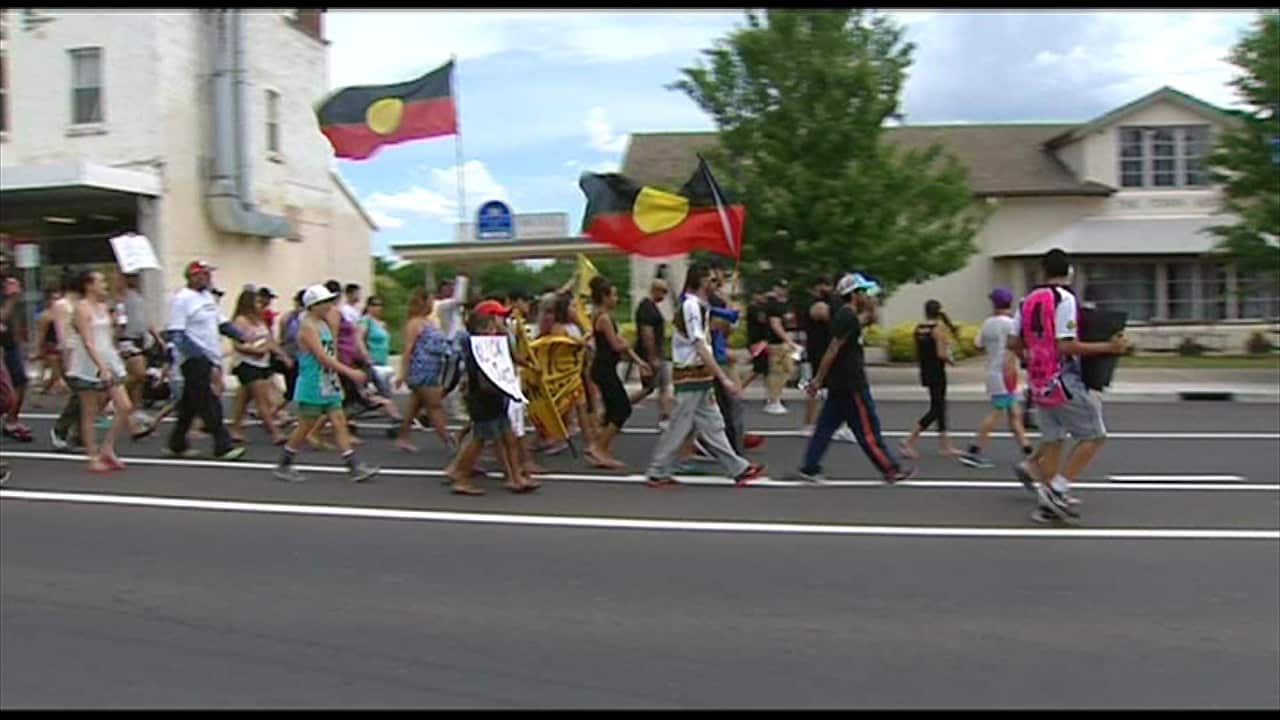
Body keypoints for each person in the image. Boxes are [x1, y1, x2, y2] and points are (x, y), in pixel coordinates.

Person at [1010, 248, 1128, 524]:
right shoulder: (1063, 299)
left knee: (1053, 440)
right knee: (1095, 435)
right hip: (1062, 378)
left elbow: (1014, 342)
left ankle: (1048, 501)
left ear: (1042, 271)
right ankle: (1058, 488)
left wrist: (1031, 357)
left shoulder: (1027, 301)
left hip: (1038, 381)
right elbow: (1066, 345)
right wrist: (1108, 347)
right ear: (1069, 272)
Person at [645, 263, 765, 488]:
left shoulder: (699, 305)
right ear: (699, 281)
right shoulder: (691, 306)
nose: (714, 284)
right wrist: (723, 378)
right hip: (690, 375)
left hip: (699, 375)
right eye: (710, 280)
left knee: (713, 424)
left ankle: (739, 468)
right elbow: (699, 344)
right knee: (681, 426)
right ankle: (657, 470)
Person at [790, 273, 915, 484]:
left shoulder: (848, 316)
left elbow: (869, 319)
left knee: (825, 427)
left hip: (842, 382)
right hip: (850, 382)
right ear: (854, 294)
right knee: (867, 429)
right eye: (864, 292)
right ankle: (890, 469)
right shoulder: (845, 316)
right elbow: (832, 349)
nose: (868, 295)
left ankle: (810, 467)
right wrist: (818, 379)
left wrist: (872, 305)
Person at [271, 284, 378, 483]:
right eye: (323, 302)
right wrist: (349, 372)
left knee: (338, 420)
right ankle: (285, 462)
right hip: (313, 381)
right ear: (312, 305)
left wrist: (337, 377)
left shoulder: (322, 323)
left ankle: (353, 465)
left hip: (326, 380)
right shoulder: (307, 326)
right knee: (306, 425)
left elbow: (331, 351)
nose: (328, 306)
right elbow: (322, 357)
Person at [447, 303, 537, 495]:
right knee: (479, 439)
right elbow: (483, 379)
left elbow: (509, 356)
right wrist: (503, 388)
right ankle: (461, 476)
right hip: (484, 398)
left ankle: (515, 477)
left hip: (496, 398)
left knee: (509, 436)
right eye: (490, 327)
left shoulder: (493, 345)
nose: (494, 330)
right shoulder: (479, 349)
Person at [164, 260, 247, 461]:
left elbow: (221, 322)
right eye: (203, 274)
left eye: (208, 274)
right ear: (192, 277)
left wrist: (239, 335)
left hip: (211, 355)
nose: (207, 278)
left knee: (190, 403)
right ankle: (223, 445)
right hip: (194, 358)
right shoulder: (182, 299)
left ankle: (177, 442)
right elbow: (177, 333)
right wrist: (196, 355)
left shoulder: (207, 297)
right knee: (209, 402)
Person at [65, 270, 134, 473]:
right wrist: (101, 366)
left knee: (125, 406)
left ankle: (108, 447)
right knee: (90, 410)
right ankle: (92, 454)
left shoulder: (104, 307)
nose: (104, 284)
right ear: (89, 285)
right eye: (100, 281)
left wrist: (117, 323)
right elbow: (88, 341)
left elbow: (108, 336)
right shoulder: (81, 308)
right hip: (89, 362)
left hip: (108, 357)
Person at [959, 288, 1032, 468]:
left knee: (1014, 413)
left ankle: (1028, 450)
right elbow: (1019, 345)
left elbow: (978, 344)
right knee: (998, 412)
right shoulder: (1013, 323)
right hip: (1006, 374)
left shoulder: (988, 323)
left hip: (994, 371)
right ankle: (973, 451)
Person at [587, 275, 650, 470]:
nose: (616, 299)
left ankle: (600, 447)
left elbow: (620, 343)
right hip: (603, 368)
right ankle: (599, 448)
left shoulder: (604, 316)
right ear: (604, 297)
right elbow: (616, 344)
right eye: (613, 295)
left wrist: (640, 362)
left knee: (614, 409)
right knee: (622, 408)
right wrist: (629, 348)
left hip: (606, 368)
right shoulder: (603, 317)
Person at [899, 300, 962, 460]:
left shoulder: (919, 329)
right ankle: (909, 440)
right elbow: (941, 353)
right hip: (937, 371)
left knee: (939, 405)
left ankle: (945, 445)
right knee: (937, 408)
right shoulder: (938, 329)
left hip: (925, 370)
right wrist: (950, 359)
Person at [227, 288, 290, 445]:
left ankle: (235, 428)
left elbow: (269, 340)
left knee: (244, 398)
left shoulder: (259, 320)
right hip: (247, 363)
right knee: (262, 399)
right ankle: (275, 432)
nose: (260, 304)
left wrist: (283, 355)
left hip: (262, 363)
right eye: (256, 301)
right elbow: (237, 344)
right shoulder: (240, 321)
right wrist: (256, 350)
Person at [396, 287, 455, 453]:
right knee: (434, 405)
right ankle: (448, 440)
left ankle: (403, 436)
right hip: (421, 370)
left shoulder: (428, 322)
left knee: (415, 405)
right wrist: (403, 373)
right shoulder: (414, 324)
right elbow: (407, 349)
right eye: (430, 300)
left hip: (432, 369)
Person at [116, 271, 163, 434]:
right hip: (128, 339)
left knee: (139, 381)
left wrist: (156, 337)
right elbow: (120, 320)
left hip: (140, 339)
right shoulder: (123, 298)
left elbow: (145, 320)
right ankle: (116, 393)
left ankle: (134, 411)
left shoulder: (139, 297)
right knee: (139, 374)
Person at [628, 278, 672, 428]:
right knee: (649, 388)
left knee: (662, 386)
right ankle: (620, 408)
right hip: (651, 355)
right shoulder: (647, 308)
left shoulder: (651, 307)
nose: (664, 295)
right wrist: (652, 357)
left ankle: (665, 416)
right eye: (663, 291)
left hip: (657, 353)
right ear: (655, 290)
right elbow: (647, 334)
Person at [0, 253, 33, 443]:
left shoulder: (7, 285)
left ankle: (12, 420)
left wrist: (19, 338)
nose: (3, 266)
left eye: (5, 262)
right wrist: (12, 300)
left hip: (9, 341)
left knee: (20, 379)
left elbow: (13, 318)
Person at [763, 279, 803, 414]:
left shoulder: (784, 305)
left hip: (784, 343)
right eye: (780, 287)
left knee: (787, 370)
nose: (783, 290)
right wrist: (788, 341)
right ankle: (773, 400)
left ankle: (776, 398)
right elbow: (776, 325)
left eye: (785, 288)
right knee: (777, 371)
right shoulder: (773, 305)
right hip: (776, 343)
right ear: (775, 288)